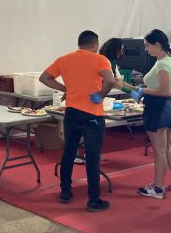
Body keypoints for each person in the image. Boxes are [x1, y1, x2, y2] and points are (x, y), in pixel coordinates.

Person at [39, 30, 115, 212]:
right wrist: (100, 95)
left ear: (79, 43)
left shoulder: (64, 59)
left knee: (68, 153)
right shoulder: (100, 60)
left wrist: (65, 88)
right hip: (93, 116)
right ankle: (93, 199)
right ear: (95, 44)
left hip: (71, 113)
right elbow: (110, 81)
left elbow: (44, 78)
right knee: (92, 157)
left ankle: (65, 192)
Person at [129, 30, 171, 198]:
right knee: (166, 148)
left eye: (147, 46)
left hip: (159, 109)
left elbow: (164, 91)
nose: (146, 49)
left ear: (157, 45)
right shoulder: (170, 60)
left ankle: (158, 188)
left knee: (159, 151)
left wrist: (142, 90)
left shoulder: (162, 64)